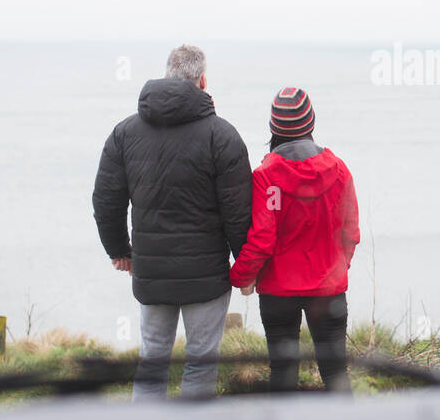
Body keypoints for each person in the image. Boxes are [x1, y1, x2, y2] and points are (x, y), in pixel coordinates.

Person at [92, 45, 251, 400]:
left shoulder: (124, 133)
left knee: (152, 359)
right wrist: (246, 264)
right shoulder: (222, 135)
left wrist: (119, 250)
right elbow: (238, 210)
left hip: (152, 272)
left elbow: (106, 199)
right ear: (203, 81)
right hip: (207, 276)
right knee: (201, 362)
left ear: (165, 77)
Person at [229, 87, 359, 393]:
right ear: (311, 123)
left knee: (283, 372)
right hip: (328, 288)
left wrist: (240, 277)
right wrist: (338, 269)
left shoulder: (265, 175)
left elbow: (262, 238)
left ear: (274, 128)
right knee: (336, 372)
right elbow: (350, 233)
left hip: (278, 291)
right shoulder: (339, 171)